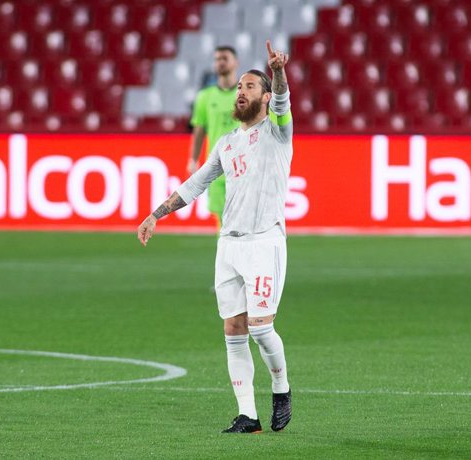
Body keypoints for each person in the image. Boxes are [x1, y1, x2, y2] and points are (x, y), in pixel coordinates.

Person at [138, 40, 293, 434]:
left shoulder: (278, 134)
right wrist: (156, 214)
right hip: (229, 245)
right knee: (233, 331)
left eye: (249, 87)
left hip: (264, 242)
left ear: (262, 96)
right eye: (239, 87)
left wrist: (276, 73)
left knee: (261, 327)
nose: (241, 92)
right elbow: (194, 184)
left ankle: (281, 388)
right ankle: (248, 416)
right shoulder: (226, 143)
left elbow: (282, 101)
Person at [187, 46, 240, 229]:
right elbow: (199, 130)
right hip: (217, 166)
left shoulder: (246, 94)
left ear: (236, 62)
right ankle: (227, 256)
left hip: (243, 166)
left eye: (225, 58)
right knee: (222, 219)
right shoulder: (204, 97)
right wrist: (193, 159)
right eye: (217, 59)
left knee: (243, 217)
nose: (220, 62)